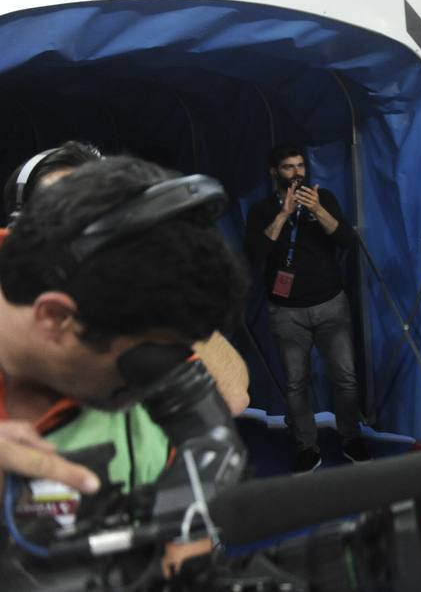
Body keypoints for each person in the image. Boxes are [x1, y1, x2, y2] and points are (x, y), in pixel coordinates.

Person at [0, 157, 247, 562]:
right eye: (142, 361)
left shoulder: (112, 309)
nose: (156, 379)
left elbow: (226, 409)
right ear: (56, 319)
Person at [245, 144, 369, 471]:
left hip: (330, 304)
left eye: (300, 166)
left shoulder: (323, 198)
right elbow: (255, 253)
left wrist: (318, 211)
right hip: (286, 311)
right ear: (275, 173)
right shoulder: (261, 210)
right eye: (288, 167)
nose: (297, 173)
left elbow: (346, 240)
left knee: (345, 377)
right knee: (296, 382)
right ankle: (306, 446)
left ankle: (350, 437)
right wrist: (283, 214)